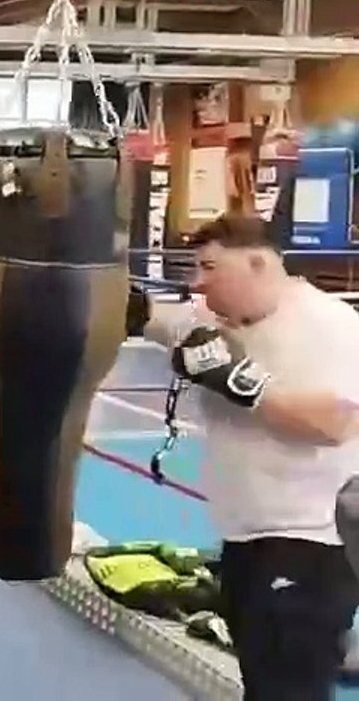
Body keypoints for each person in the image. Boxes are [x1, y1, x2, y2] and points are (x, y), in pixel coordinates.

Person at [139, 212, 359, 700]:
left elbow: (337, 423)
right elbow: (152, 319)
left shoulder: (332, 326)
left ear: (258, 263)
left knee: (289, 690)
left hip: (310, 546)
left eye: (210, 268)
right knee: (262, 684)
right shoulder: (212, 324)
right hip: (244, 543)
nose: (199, 284)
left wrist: (241, 383)